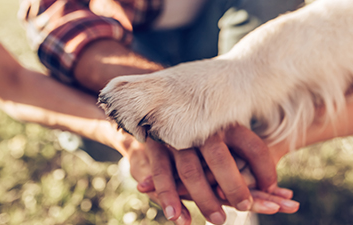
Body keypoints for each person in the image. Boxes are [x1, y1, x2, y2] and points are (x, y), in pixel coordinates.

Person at [18, 0, 305, 223]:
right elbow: (60, 24)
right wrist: (170, 101)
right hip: (131, 48)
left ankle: (227, 167)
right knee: (106, 122)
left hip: (223, 38)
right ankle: (197, 165)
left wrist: (219, 109)